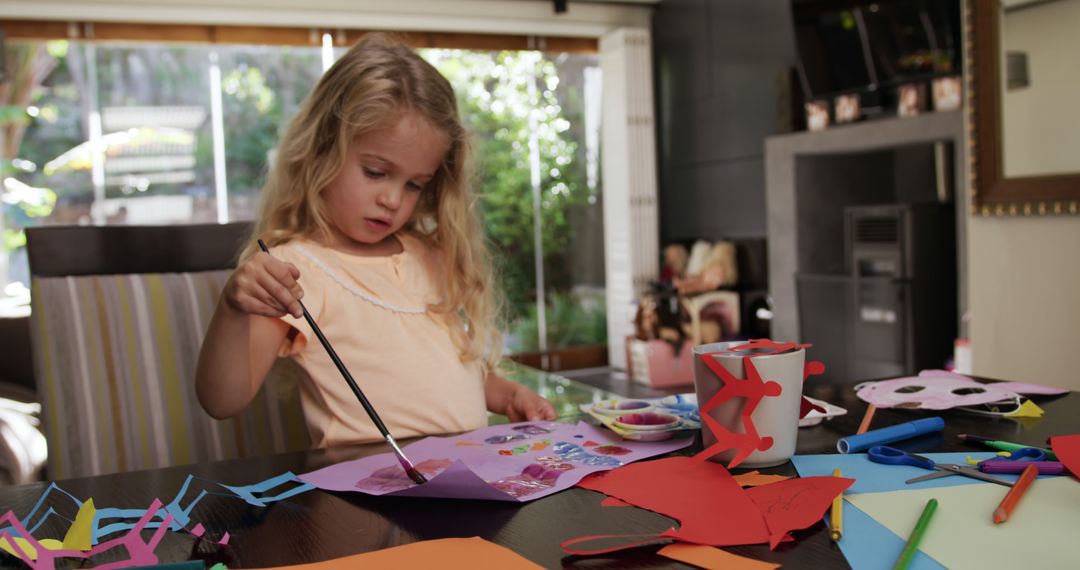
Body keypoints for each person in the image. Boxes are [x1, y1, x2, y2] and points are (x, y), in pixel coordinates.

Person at [195, 33, 556, 449]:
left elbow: (441, 375)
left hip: (465, 483)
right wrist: (232, 308)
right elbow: (222, 399)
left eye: (414, 185)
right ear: (322, 149)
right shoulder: (294, 271)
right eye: (375, 172)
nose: (392, 199)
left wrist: (507, 394)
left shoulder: (430, 254)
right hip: (367, 495)